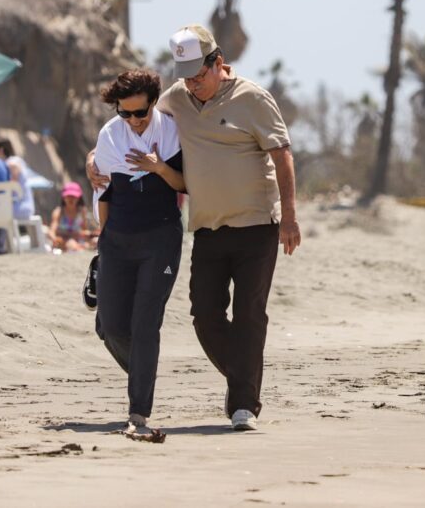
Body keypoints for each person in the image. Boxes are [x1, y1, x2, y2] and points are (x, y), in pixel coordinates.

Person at [88, 24, 301, 432]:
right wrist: (93, 157)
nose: (192, 84)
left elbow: (282, 154)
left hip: (257, 224)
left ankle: (243, 404)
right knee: (204, 316)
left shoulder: (252, 98)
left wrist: (289, 216)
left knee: (249, 315)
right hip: (206, 226)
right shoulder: (176, 99)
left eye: (198, 75)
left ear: (217, 63)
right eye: (184, 76)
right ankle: (242, 379)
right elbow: (129, 124)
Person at [91, 69, 185, 433]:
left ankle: (139, 410)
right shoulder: (110, 135)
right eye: (124, 113)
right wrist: (103, 241)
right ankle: (145, 369)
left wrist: (158, 167)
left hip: (160, 238)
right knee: (111, 327)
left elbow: (185, 183)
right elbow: (104, 190)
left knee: (145, 324)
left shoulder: (171, 130)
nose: (133, 121)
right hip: (117, 239)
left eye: (140, 113)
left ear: (153, 103)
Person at [0, 139, 36, 221]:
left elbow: (12, 186)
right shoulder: (13, 161)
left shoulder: (12, 163)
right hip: (19, 205)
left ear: (1, 150)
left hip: (20, 206)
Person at [48, 182, 95, 252]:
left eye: (74, 196)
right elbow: (51, 231)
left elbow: (84, 229)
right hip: (63, 241)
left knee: (95, 241)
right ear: (63, 197)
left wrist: (87, 235)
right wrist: (55, 239)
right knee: (72, 244)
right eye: (68, 196)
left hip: (78, 240)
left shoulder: (82, 211)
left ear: (79, 198)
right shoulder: (58, 212)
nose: (71, 199)